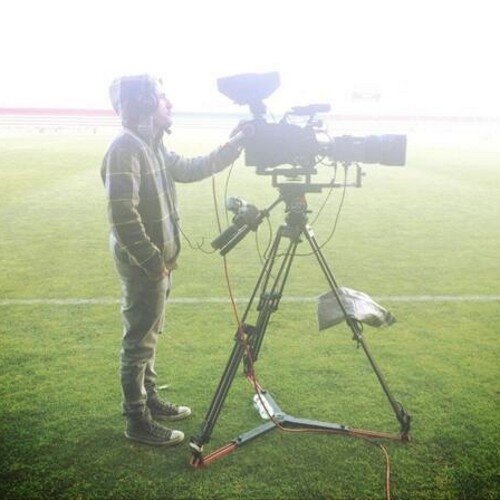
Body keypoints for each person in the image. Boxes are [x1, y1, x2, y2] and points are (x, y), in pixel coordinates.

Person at [101, 74, 242, 446]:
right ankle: (137, 419)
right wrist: (151, 261)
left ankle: (150, 399)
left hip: (157, 264)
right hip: (144, 266)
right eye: (164, 99)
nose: (171, 105)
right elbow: (122, 215)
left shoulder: (154, 146)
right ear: (146, 104)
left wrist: (234, 145)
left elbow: (193, 168)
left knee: (150, 335)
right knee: (139, 342)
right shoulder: (126, 148)